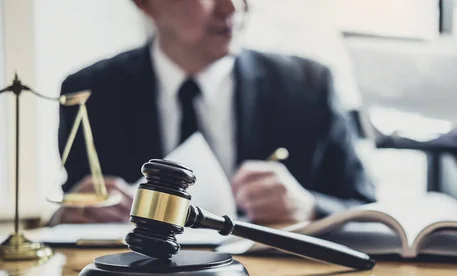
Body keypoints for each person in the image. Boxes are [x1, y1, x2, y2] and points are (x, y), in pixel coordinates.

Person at [51, 0, 376, 225]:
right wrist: (74, 210)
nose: (233, 7)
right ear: (144, 3)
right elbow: (71, 205)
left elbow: (363, 204)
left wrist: (309, 206)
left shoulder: (309, 86)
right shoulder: (90, 94)